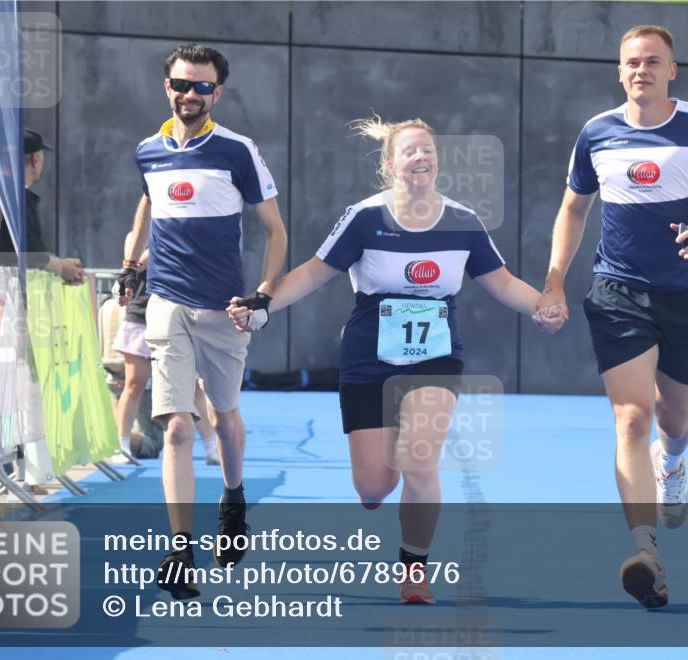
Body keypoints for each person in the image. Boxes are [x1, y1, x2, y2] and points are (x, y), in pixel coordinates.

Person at [230, 115, 563, 604]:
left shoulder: (464, 221)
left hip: (435, 357)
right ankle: (374, 489)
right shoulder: (364, 217)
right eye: (409, 151)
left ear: (438, 161)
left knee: (419, 458)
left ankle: (414, 566)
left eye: (428, 150)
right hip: (368, 358)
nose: (421, 157)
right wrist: (263, 305)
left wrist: (542, 307)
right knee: (374, 486)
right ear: (390, 165)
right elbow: (313, 273)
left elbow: (503, 282)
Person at [536, 25, 688, 608]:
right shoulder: (596, 133)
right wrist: (555, 278)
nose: (642, 70)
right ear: (620, 71)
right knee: (632, 419)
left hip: (686, 296)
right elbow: (573, 208)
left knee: (674, 419)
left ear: (672, 70)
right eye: (632, 62)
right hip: (618, 293)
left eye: (653, 62)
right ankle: (646, 552)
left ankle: (675, 463)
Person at [117, 43, 288, 599]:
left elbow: (276, 231)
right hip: (165, 302)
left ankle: (233, 497)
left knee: (225, 416)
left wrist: (263, 293)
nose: (190, 94)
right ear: (166, 86)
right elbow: (148, 205)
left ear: (218, 93)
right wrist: (131, 264)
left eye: (202, 86)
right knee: (177, 426)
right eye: (181, 84)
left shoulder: (238, 150)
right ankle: (180, 550)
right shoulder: (148, 151)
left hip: (223, 309)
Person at [111, 237, 218, 464]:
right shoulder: (136, 237)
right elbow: (136, 263)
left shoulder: (182, 233)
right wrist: (161, 240)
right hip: (140, 316)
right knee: (134, 384)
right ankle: (122, 445)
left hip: (174, 318)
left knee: (193, 388)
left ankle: (211, 447)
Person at [0, 129, 85, 284]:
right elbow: (31, 253)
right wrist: (62, 268)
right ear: (35, 160)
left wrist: (61, 264)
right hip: (8, 291)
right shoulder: (14, 196)